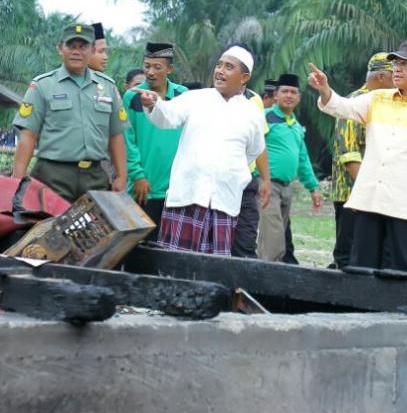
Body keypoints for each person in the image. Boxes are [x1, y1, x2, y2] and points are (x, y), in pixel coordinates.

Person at [309, 38, 407, 273]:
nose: (397, 68)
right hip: (370, 200)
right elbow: (340, 106)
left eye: (406, 64)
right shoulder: (377, 99)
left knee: (404, 273)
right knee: (362, 270)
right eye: (396, 63)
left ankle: (403, 312)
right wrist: (325, 89)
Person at [133, 44, 265, 256]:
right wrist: (153, 104)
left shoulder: (251, 113)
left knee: (214, 271)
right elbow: (168, 115)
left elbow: (254, 150)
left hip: (223, 204)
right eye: (219, 65)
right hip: (186, 197)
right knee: (175, 266)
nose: (220, 71)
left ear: (244, 77)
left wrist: (227, 171)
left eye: (229, 67)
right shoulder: (197, 98)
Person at [12, 24, 128, 201]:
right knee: (49, 227)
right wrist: (16, 181)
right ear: (60, 48)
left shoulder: (108, 87)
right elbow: (28, 136)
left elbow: (116, 136)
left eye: (83, 47)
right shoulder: (42, 85)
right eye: (71, 46)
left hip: (95, 177)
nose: (76, 52)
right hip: (52, 176)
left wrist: (121, 176)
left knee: (92, 227)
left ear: (92, 50)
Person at [330, 53, 392, 268]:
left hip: (374, 194)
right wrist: (367, 190)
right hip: (351, 193)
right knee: (349, 256)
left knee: (370, 256)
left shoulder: (385, 103)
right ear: (382, 77)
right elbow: (349, 153)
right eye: (396, 75)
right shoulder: (356, 101)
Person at [257, 73, 323, 262]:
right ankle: (268, 282)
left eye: (293, 92)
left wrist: (314, 187)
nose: (289, 95)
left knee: (271, 239)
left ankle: (260, 280)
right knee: (275, 240)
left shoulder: (295, 125)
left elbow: (303, 160)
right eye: (284, 91)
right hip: (267, 185)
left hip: (287, 188)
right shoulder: (264, 117)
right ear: (275, 95)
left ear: (299, 97)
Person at [124, 42, 189, 225]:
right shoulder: (133, 97)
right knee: (141, 246)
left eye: (157, 67)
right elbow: (128, 140)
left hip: (175, 189)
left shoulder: (182, 95)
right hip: (145, 187)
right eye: (147, 66)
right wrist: (137, 175)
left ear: (170, 69)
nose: (151, 72)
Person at [231, 84, 272, 259]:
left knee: (246, 239)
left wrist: (266, 179)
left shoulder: (255, 100)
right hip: (219, 180)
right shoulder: (210, 97)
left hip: (247, 180)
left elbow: (259, 142)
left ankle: (244, 285)